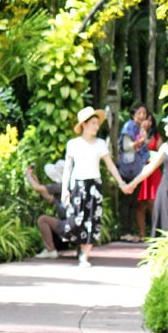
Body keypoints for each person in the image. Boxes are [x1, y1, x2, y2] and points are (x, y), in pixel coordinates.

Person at [62, 106, 128, 268]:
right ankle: (80, 248)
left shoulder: (100, 144)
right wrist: (65, 189)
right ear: (84, 124)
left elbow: (110, 166)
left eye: (97, 124)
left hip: (94, 184)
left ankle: (85, 254)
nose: (96, 127)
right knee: (75, 220)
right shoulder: (73, 144)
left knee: (92, 219)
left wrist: (121, 183)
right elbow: (67, 168)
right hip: (78, 184)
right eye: (93, 123)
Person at [124, 110, 168, 235]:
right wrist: (134, 183)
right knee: (163, 223)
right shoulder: (165, 147)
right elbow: (150, 168)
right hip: (164, 190)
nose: (165, 127)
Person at [25, 160, 69, 259]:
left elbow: (37, 188)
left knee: (42, 220)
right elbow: (49, 198)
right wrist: (36, 181)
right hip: (72, 224)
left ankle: (51, 250)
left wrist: (28, 176)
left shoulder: (60, 186)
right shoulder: (69, 187)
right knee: (50, 220)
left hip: (68, 226)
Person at [130, 114, 162, 240]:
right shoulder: (135, 134)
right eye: (145, 120)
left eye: (150, 120)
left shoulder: (157, 136)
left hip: (153, 171)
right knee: (139, 204)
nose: (147, 122)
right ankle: (142, 234)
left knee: (152, 203)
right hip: (139, 170)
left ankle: (156, 233)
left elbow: (161, 152)